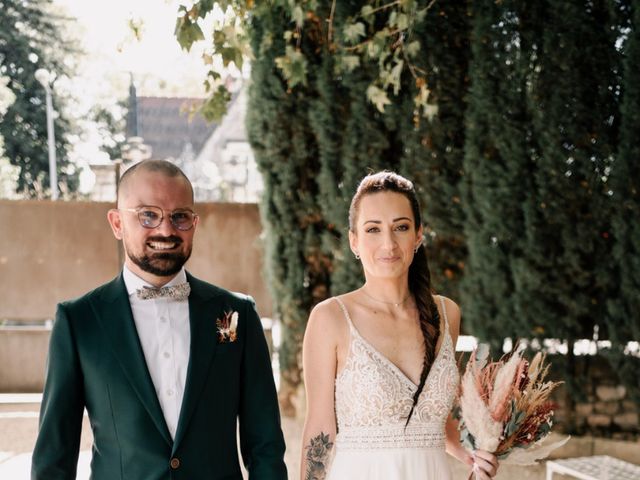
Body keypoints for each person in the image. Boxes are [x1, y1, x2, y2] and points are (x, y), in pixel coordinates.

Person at [32, 160, 287, 480]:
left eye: (179, 217)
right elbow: (54, 456)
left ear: (194, 223)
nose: (165, 230)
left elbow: (265, 444)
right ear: (117, 223)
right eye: (147, 215)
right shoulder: (78, 321)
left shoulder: (236, 315)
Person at [300, 172, 499, 480]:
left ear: (418, 235)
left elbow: (433, 417)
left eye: (401, 227)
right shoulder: (331, 318)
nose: (388, 244)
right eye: (373, 229)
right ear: (354, 240)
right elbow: (319, 431)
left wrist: (470, 453)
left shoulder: (447, 314)